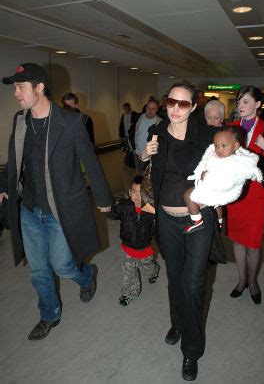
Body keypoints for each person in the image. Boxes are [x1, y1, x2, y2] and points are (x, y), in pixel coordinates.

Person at [0, 63, 112, 341]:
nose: (16, 93)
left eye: (21, 87)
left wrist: (104, 199)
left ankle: (86, 276)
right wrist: (4, 186)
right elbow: (14, 158)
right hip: (29, 208)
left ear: (39, 87)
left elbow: (90, 162)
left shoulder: (71, 122)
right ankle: (49, 314)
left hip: (61, 208)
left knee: (63, 265)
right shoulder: (20, 119)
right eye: (15, 87)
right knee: (39, 269)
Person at [140, 83, 217, 381]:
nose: (175, 108)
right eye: (171, 101)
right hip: (166, 220)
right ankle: (178, 322)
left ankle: (192, 350)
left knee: (194, 283)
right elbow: (146, 170)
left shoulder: (207, 136)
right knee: (175, 277)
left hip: (197, 221)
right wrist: (145, 154)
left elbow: (235, 165)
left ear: (193, 107)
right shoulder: (156, 132)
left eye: (183, 104)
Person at [227, 86, 264, 305]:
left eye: (246, 101)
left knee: (254, 243)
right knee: (238, 240)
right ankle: (241, 279)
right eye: (239, 101)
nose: (241, 105)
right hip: (235, 194)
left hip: (258, 196)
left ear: (258, 104)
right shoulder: (231, 128)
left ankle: (253, 281)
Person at [183, 126, 262, 233]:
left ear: (236, 146)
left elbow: (227, 181)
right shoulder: (217, 156)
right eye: (216, 145)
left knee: (188, 195)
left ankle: (196, 220)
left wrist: (206, 178)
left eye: (223, 146)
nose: (218, 149)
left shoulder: (235, 163)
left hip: (221, 189)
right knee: (217, 204)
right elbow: (204, 165)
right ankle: (220, 221)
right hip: (215, 189)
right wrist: (201, 174)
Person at [107, 175, 160, 306]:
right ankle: (128, 294)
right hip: (128, 247)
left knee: (147, 268)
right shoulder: (125, 207)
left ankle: (154, 271)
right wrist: (106, 209)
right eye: (134, 192)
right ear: (130, 192)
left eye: (141, 193)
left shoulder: (150, 211)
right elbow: (113, 213)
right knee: (128, 273)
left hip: (144, 248)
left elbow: (155, 230)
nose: (137, 196)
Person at [134, 99, 161, 175]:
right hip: (137, 152)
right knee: (137, 174)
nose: (150, 111)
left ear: (157, 110)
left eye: (153, 109)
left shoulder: (159, 121)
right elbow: (136, 132)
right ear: (145, 107)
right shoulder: (141, 117)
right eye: (148, 108)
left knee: (145, 176)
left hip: (149, 155)